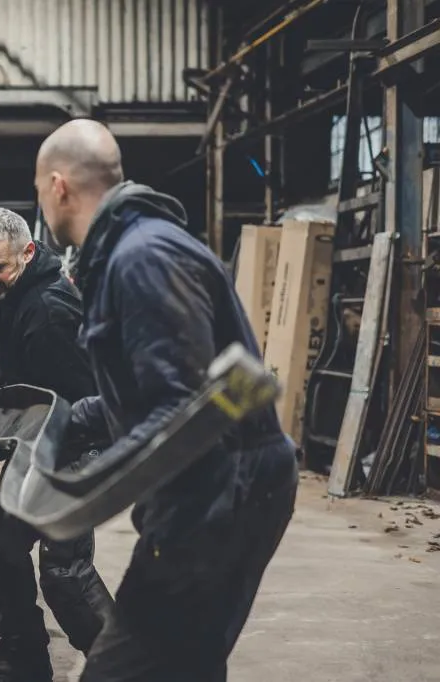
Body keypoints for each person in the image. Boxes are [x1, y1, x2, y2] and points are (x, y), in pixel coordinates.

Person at [33, 119, 299, 682]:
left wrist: (89, 488)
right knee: (186, 664)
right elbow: (153, 392)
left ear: (58, 186)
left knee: (125, 668)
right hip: (218, 480)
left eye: (38, 190)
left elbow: (181, 414)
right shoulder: (128, 252)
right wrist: (69, 422)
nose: (41, 202)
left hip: (225, 489)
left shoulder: (141, 258)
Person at [0, 207, 111, 682]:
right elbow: (3, 348)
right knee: (2, 545)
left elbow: (85, 399)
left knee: (66, 575)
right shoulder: (5, 286)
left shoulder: (50, 309)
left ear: (27, 253)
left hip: (77, 442)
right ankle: (23, 658)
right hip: (39, 436)